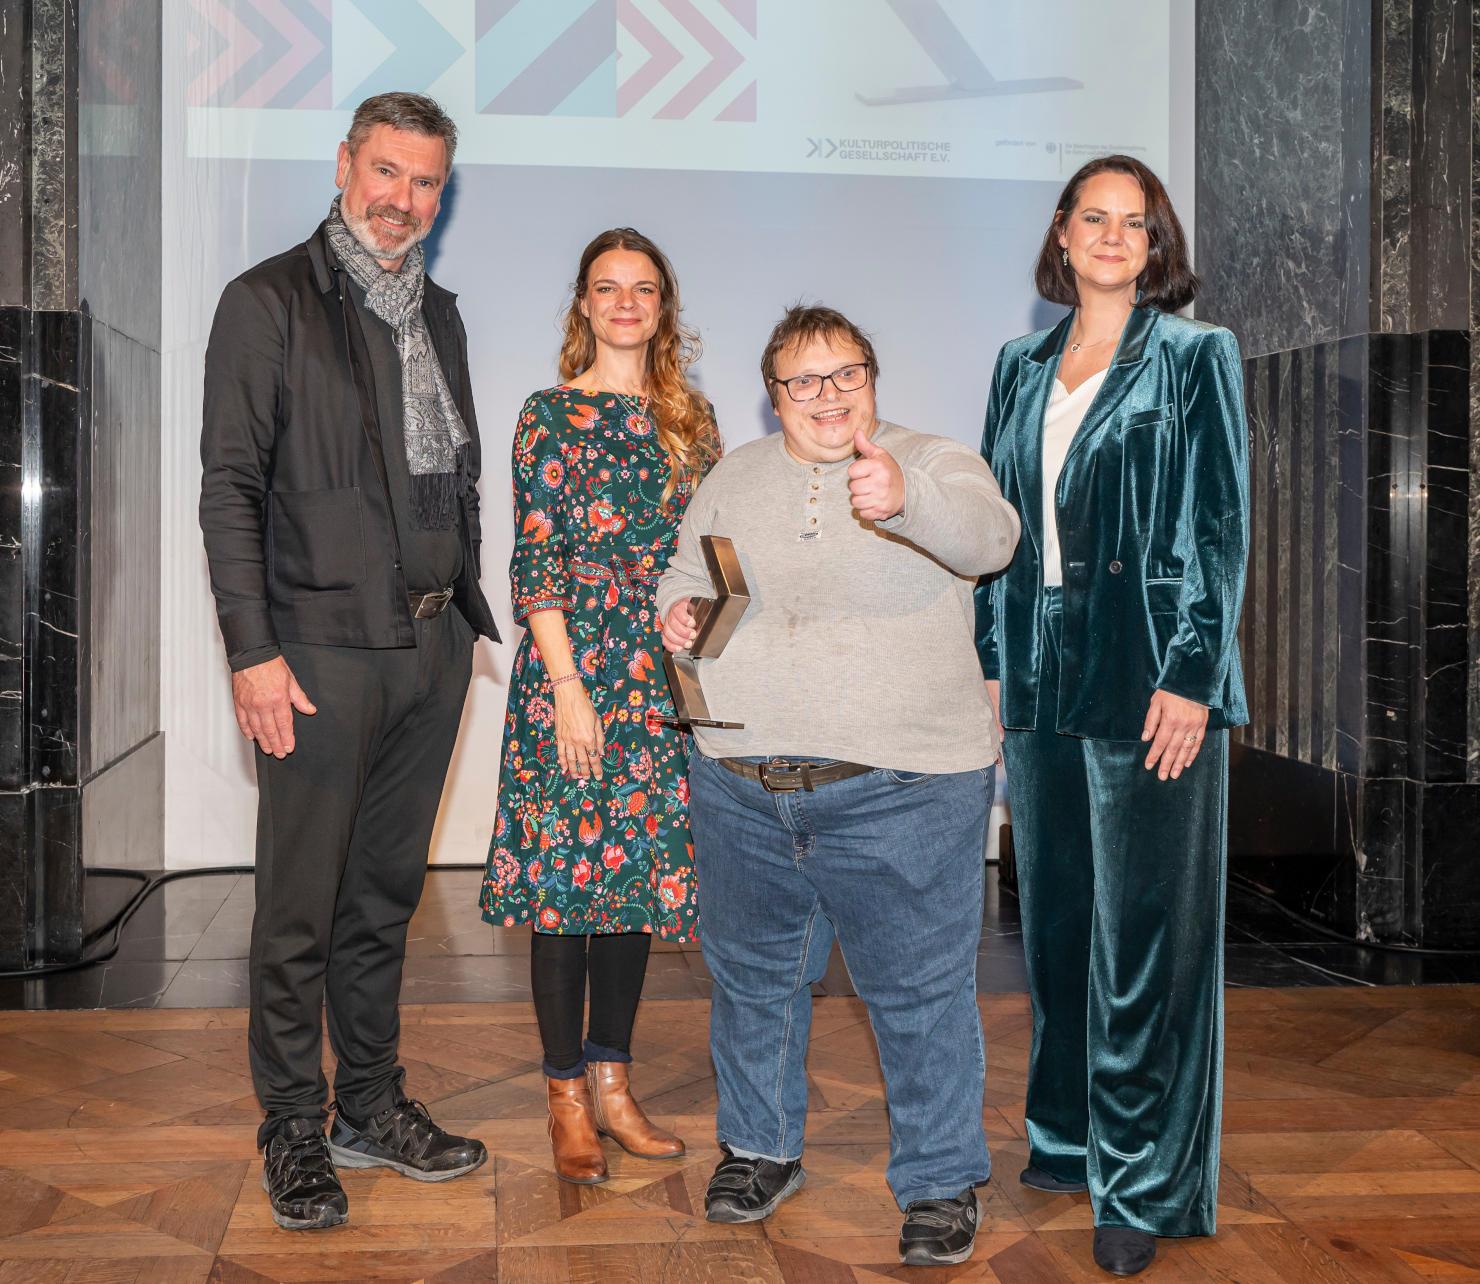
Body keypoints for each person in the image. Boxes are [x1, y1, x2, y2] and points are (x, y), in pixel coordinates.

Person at [657, 305, 1020, 1268]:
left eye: (844, 373)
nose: (826, 395)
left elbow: (992, 542)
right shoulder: (733, 476)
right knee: (753, 982)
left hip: (903, 787)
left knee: (919, 993)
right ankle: (760, 1151)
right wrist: (680, 613)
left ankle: (941, 1183)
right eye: (802, 381)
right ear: (773, 395)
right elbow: (681, 577)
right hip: (740, 781)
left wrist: (902, 496)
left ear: (872, 377)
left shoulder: (935, 461)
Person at [200, 92, 498, 1231]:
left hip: (431, 646)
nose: (401, 200)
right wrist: (253, 652)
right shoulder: (268, 301)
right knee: (299, 910)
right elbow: (230, 488)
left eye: (425, 182)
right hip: (316, 652)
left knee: (385, 899)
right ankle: (290, 1124)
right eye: (385, 172)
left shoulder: (443, 316)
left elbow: (449, 478)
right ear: (344, 165)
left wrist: (464, 615)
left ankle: (368, 1105)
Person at [974, 155, 1249, 1278]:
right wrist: (992, 661)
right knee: (1059, 926)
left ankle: (1142, 1181)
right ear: (1061, 230)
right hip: (1040, 683)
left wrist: (1191, 676)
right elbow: (998, 532)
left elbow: (1220, 531)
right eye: (1093, 216)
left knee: (1144, 939)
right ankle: (1069, 1135)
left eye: (1133, 222)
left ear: (1154, 244)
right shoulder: (1018, 361)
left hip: (1150, 683)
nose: (1111, 234)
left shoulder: (1196, 356)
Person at [482, 228, 718, 1184]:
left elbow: (706, 552)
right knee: (565, 894)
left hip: (655, 676)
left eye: (644, 289)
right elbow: (533, 562)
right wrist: (571, 689)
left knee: (629, 893)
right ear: (582, 305)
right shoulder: (547, 415)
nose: (626, 303)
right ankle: (566, 1098)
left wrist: (698, 617)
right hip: (568, 673)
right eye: (607, 288)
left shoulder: (690, 420)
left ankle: (617, 1087)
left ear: (664, 307)